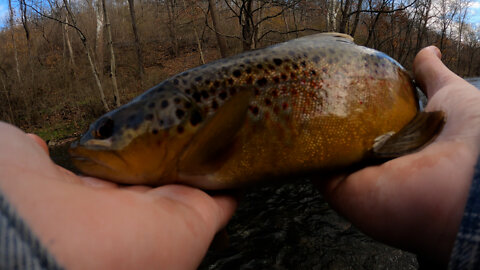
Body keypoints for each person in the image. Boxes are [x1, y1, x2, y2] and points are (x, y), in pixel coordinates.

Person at [0, 45, 478, 269]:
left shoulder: (200, 111)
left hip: (385, 82)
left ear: (180, 116)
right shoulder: (190, 133)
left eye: (105, 132)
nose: (88, 146)